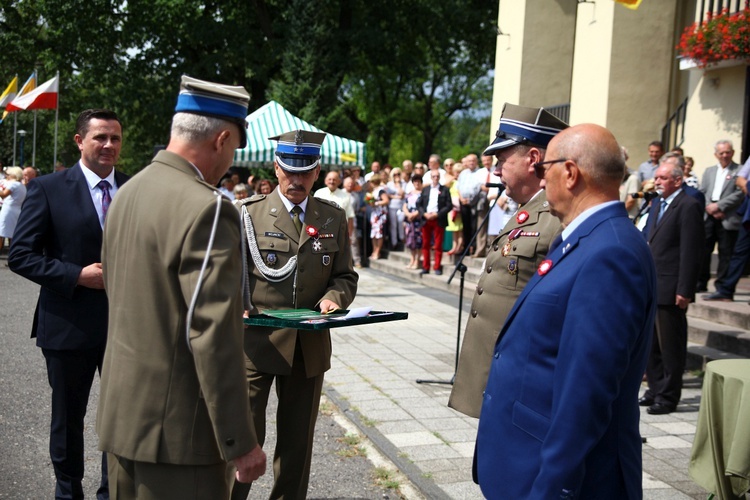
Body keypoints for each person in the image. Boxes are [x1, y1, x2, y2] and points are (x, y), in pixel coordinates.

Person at [96, 76, 266, 498]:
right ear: (221, 138)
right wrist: (239, 442)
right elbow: (212, 334)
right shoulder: (208, 208)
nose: (230, 161)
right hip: (179, 436)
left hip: (122, 423)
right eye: (233, 149)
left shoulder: (127, 192)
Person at [475, 123, 657, 498]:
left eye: (546, 170)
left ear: (570, 173)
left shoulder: (612, 252)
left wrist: (550, 488)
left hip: (562, 477)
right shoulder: (582, 237)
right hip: (526, 458)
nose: (541, 182)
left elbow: (586, 392)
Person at [8, 109, 130, 499]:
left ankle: (113, 491)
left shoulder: (133, 190)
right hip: (68, 323)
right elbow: (22, 255)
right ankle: (68, 490)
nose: (109, 145)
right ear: (79, 141)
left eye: (115, 137)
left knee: (123, 417)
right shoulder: (48, 188)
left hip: (125, 327)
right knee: (67, 418)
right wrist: (77, 275)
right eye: (100, 137)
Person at [232, 129, 358, 500]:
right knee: (244, 441)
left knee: (297, 446)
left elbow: (345, 275)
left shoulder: (332, 216)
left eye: (306, 171)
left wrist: (336, 297)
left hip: (309, 346)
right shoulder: (249, 214)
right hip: (257, 342)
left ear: (317, 172)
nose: (297, 179)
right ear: (276, 168)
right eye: (290, 171)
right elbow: (228, 274)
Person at [449, 103, 567, 418]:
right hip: (500, 370)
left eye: (502, 161)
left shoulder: (557, 217)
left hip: (521, 375)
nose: (497, 171)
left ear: (533, 159)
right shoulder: (528, 209)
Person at [639, 154, 704, 415]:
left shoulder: (688, 205)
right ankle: (655, 389)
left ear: (678, 180)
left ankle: (668, 397)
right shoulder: (657, 204)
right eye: (656, 177)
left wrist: (685, 289)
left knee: (670, 348)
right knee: (651, 345)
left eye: (663, 178)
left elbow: (692, 251)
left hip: (672, 288)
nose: (657, 181)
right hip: (653, 285)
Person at [697, 140, 742, 292]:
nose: (725, 155)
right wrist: (710, 207)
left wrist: (720, 206)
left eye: (727, 152)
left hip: (726, 216)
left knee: (726, 252)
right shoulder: (709, 171)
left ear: (733, 153)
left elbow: (740, 193)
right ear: (716, 154)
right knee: (703, 250)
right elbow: (703, 191)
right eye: (721, 153)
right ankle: (701, 283)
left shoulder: (740, 170)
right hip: (709, 214)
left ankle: (721, 286)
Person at [703, 154, 750, 301]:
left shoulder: (737, 167)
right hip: (748, 215)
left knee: (728, 252)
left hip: (732, 214)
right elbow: (741, 180)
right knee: (739, 253)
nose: (724, 155)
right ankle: (726, 290)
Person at [417, 169, 451, 275]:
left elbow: (449, 205)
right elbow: (419, 204)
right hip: (426, 219)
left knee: (438, 244)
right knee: (426, 244)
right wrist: (424, 214)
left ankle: (437, 267)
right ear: (431, 177)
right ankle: (426, 267)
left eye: (437, 176)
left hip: (438, 218)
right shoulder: (426, 189)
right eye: (434, 176)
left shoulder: (445, 189)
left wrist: (438, 214)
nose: (435, 178)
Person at [314, 170, 355, 251]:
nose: (332, 181)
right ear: (325, 181)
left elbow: (350, 217)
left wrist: (349, 236)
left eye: (334, 179)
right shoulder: (318, 193)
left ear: (339, 182)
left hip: (340, 234)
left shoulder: (345, 196)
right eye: (330, 179)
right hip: (322, 233)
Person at [0, 166, 27, 253]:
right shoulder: (22, 186)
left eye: (8, 174)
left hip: (8, 210)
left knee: (1, 232)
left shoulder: (13, 184)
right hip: (16, 210)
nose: (6, 176)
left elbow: (3, 194)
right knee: (12, 234)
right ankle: (12, 254)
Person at [402, 174, 424, 269]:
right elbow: (405, 205)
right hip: (410, 219)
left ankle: (417, 260)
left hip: (418, 219)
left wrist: (415, 214)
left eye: (418, 181)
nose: (417, 183)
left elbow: (423, 207)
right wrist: (408, 214)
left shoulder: (423, 194)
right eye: (415, 181)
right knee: (411, 240)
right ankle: (412, 259)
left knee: (418, 240)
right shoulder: (410, 194)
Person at [368, 173, 389, 260]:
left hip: (380, 215)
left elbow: (386, 200)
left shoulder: (381, 190)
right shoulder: (373, 191)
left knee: (379, 234)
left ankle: (377, 251)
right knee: (373, 234)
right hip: (374, 214)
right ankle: (374, 250)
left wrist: (376, 203)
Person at [343, 176, 362, 267]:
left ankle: (357, 260)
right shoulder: (340, 193)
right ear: (344, 184)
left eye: (351, 183)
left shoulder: (356, 195)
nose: (350, 185)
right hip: (342, 221)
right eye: (348, 183)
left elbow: (357, 208)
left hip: (352, 220)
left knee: (353, 241)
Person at [385, 167, 406, 249]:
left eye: (398, 174)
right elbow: (388, 195)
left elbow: (403, 194)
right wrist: (396, 197)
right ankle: (394, 242)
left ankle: (401, 237)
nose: (396, 176)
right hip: (392, 206)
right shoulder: (389, 184)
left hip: (401, 206)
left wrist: (399, 184)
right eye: (395, 174)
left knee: (401, 221)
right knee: (393, 224)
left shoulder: (403, 183)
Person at [446, 162, 464, 255]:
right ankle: (454, 246)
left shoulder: (462, 182)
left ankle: (459, 246)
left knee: (459, 229)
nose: (457, 174)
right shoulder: (452, 182)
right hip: (451, 207)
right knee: (453, 228)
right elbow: (445, 185)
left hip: (458, 207)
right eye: (456, 172)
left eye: (459, 172)